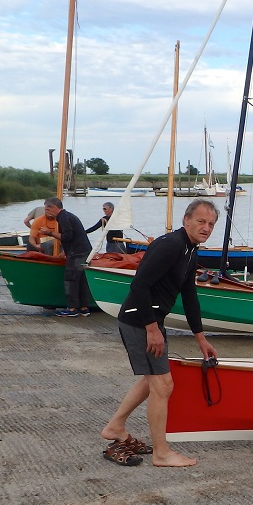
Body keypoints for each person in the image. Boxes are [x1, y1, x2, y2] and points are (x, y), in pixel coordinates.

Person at [100, 199, 219, 468]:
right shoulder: (170, 246)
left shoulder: (190, 250)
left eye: (211, 224)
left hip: (149, 321)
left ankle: (116, 426)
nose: (206, 227)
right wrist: (152, 329)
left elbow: (189, 297)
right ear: (186, 220)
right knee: (163, 386)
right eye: (201, 221)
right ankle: (161, 453)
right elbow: (140, 284)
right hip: (140, 321)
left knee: (151, 381)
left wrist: (201, 338)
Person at [41, 197, 93, 317]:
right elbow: (74, 236)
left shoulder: (64, 217)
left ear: (54, 207)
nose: (47, 212)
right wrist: (65, 251)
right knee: (82, 280)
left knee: (71, 279)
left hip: (77, 253)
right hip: (84, 251)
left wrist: (49, 232)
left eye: (47, 209)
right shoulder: (68, 216)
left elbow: (67, 236)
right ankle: (84, 308)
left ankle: (72, 308)